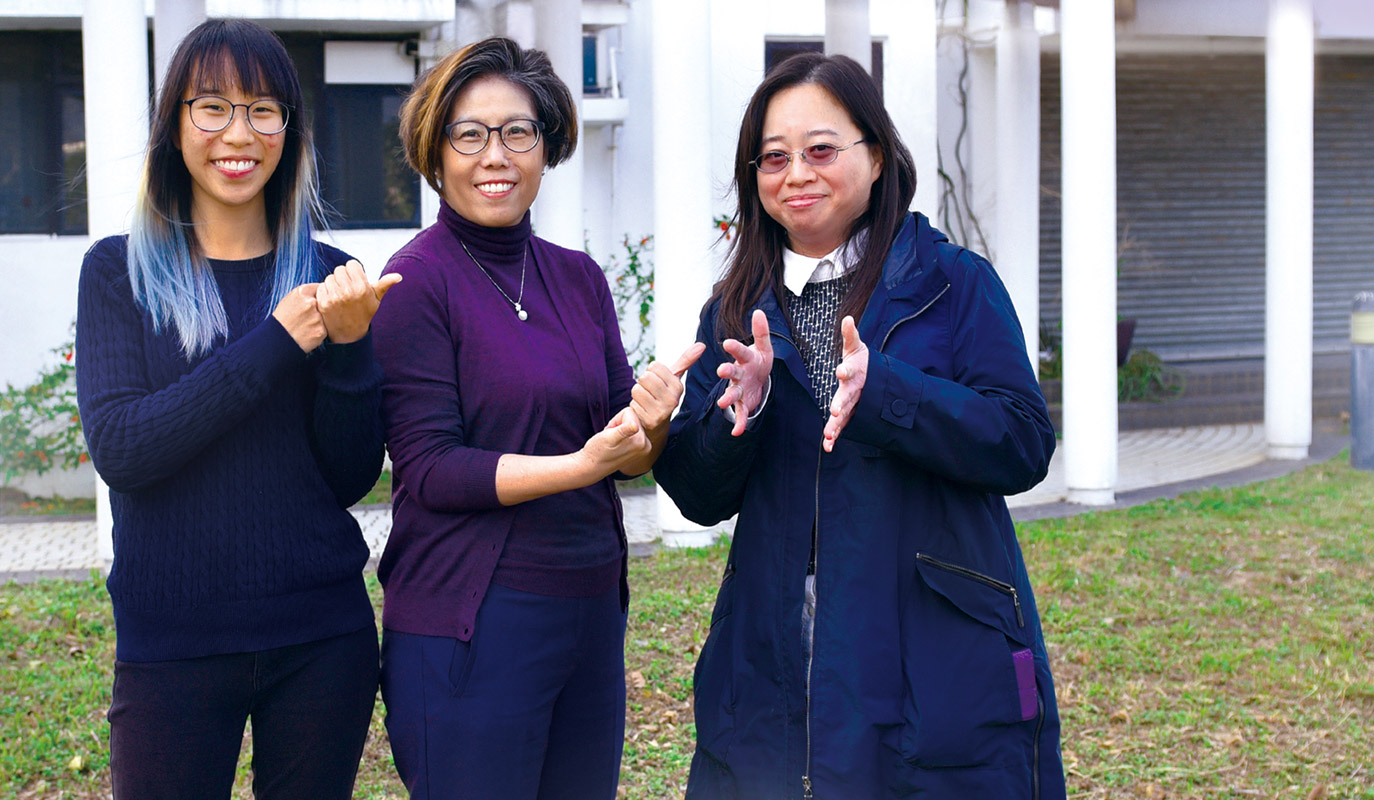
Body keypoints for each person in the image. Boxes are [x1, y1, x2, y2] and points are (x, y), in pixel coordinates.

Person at [652, 52, 1066, 798]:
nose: (796, 173)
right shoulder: (733, 309)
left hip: (927, 639)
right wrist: (737, 419)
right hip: (776, 639)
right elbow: (698, 495)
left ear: (875, 156)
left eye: (821, 150)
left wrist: (890, 392)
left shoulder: (952, 284)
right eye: (773, 158)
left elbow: (1023, 442)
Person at [75, 18, 399, 800]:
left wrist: (351, 346)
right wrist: (277, 342)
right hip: (172, 644)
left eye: (263, 109)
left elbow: (351, 475)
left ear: (288, 130)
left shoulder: (329, 277)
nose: (239, 133)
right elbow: (122, 448)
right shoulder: (119, 273)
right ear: (175, 126)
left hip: (322, 636)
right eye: (212, 106)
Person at [369, 36, 698, 800]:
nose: (496, 154)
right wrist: (584, 465)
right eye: (471, 133)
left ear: (546, 145)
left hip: (587, 606)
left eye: (518, 131)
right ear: (437, 149)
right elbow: (431, 469)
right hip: (470, 620)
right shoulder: (415, 282)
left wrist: (649, 423)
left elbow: (629, 445)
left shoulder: (577, 277)